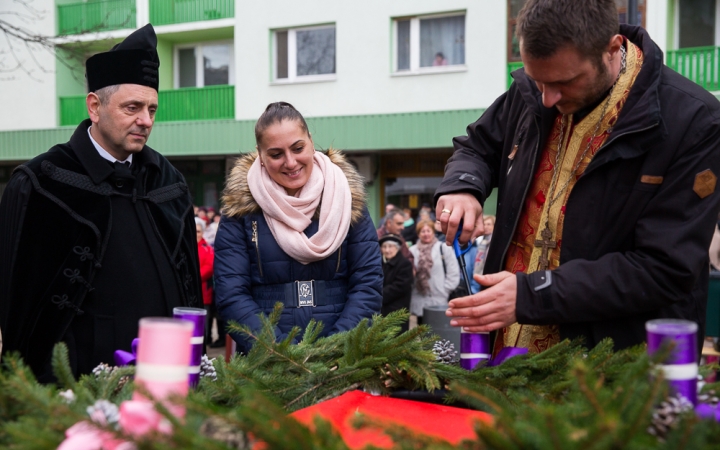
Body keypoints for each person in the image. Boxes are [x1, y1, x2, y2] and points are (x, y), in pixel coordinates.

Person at [435, 0, 720, 355]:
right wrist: (463, 186)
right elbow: (477, 147)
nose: (547, 98)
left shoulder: (695, 121)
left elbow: (664, 269)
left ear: (612, 49)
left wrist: (534, 293)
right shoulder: (535, 90)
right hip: (509, 347)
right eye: (537, 80)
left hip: (616, 366)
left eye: (564, 83)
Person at [0, 24, 201, 380]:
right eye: (133, 108)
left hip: (165, 381)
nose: (146, 121)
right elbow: (19, 305)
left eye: (152, 109)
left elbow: (189, 292)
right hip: (76, 388)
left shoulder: (169, 183)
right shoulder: (43, 184)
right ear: (95, 106)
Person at [214, 102, 383, 354]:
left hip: (342, 361)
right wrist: (282, 354)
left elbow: (368, 286)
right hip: (265, 364)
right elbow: (231, 296)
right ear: (261, 155)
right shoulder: (240, 210)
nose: (290, 162)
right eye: (276, 154)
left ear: (311, 142)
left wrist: (336, 350)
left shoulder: (348, 199)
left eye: (298, 148)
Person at [409, 220, 459, 324]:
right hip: (419, 298)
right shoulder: (412, 251)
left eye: (428, 230)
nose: (426, 234)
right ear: (418, 234)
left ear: (433, 232)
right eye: (423, 231)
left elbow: (453, 272)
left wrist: (445, 290)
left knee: (439, 331)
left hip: (440, 297)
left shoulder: (444, 248)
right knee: (423, 334)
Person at [378, 234, 414, 332]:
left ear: (397, 248)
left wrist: (379, 294)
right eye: (384, 247)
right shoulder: (379, 263)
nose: (387, 250)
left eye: (390, 246)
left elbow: (400, 286)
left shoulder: (404, 264)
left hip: (397, 310)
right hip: (382, 309)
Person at [195, 218, 215, 345]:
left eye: (198, 231)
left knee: (203, 323)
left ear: (202, 232)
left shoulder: (207, 248)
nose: (196, 233)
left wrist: (194, 277)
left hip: (203, 292)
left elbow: (209, 267)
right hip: (190, 291)